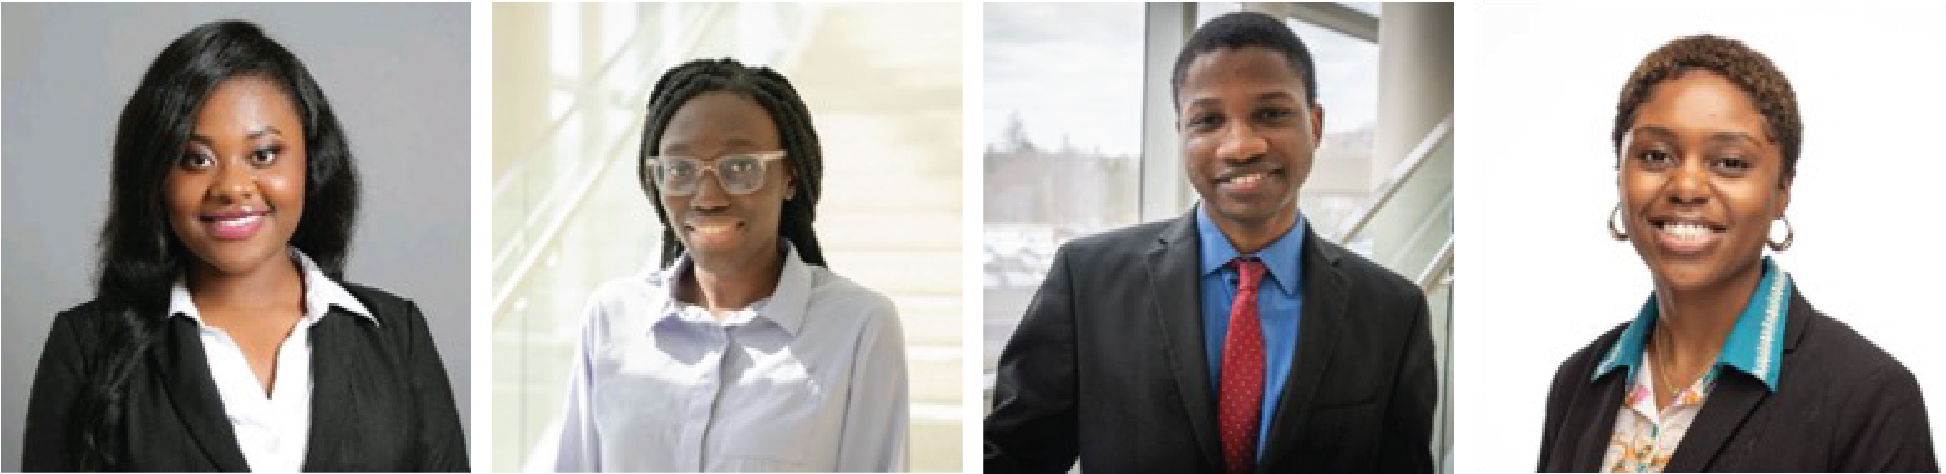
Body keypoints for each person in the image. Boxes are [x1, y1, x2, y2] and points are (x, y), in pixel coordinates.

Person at [983, 11, 1436, 474]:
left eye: (1271, 114)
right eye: (1209, 120)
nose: (1240, 145)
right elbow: (1012, 458)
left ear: (1315, 126)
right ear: (1182, 133)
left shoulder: (1393, 312)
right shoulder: (1086, 282)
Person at [19, 20, 468, 472]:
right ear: (156, 177)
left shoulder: (396, 337)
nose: (233, 187)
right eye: (196, 159)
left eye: (264, 155)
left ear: (311, 162)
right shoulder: (86, 349)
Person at [1536, 34, 1937, 472]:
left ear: (1782, 190)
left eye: (1729, 162)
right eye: (1655, 155)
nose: (1686, 187)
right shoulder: (1578, 383)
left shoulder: (1868, 399)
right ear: (1620, 173)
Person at [535, 58, 909, 472]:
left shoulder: (858, 327)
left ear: (790, 176)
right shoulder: (611, 317)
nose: (708, 196)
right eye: (680, 169)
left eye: (741, 167)